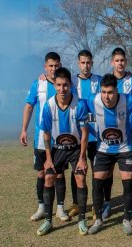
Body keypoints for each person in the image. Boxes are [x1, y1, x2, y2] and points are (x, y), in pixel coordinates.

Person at [86, 73, 132, 235]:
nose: (107, 96)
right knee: (97, 181)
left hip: (124, 148)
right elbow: (76, 105)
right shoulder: (93, 100)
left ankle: (126, 219)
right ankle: (98, 220)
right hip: (103, 149)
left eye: (110, 92)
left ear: (116, 91)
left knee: (127, 181)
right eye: (103, 92)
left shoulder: (127, 100)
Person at [37, 67, 89, 236]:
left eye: (65, 85)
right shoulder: (48, 106)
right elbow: (46, 134)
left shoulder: (79, 105)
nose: (62, 89)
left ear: (70, 85)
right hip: (57, 148)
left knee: (80, 177)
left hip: (75, 149)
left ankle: (82, 220)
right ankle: (48, 221)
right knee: (49, 176)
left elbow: (84, 134)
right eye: (58, 85)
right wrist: (48, 159)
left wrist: (82, 158)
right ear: (55, 86)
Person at [20, 52, 69, 222]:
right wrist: (24, 130)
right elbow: (29, 107)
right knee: (41, 173)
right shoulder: (38, 83)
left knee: (59, 174)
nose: (53, 69)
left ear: (60, 66)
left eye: (56, 66)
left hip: (61, 137)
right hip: (41, 138)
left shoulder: (65, 84)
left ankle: (61, 208)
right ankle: (41, 207)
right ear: (45, 67)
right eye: (50, 66)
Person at [68, 50, 103, 219]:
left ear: (92, 63)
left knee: (97, 171)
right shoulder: (72, 81)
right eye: (83, 62)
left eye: (88, 62)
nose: (86, 66)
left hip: (96, 136)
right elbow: (56, 82)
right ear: (78, 63)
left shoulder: (99, 80)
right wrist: (43, 76)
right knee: (77, 171)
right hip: (77, 134)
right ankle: (77, 203)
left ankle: (97, 205)